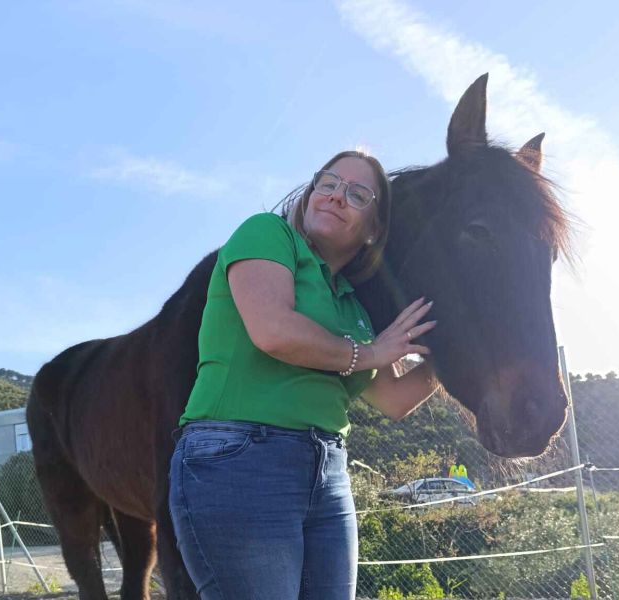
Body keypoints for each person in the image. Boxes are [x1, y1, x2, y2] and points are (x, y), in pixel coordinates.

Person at [168, 150, 439, 600]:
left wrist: (451, 352)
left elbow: (394, 398)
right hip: (241, 459)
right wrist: (371, 351)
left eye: (356, 194)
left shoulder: (352, 306)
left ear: (374, 229)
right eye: (327, 183)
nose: (335, 196)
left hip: (328, 470)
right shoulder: (267, 234)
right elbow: (274, 331)